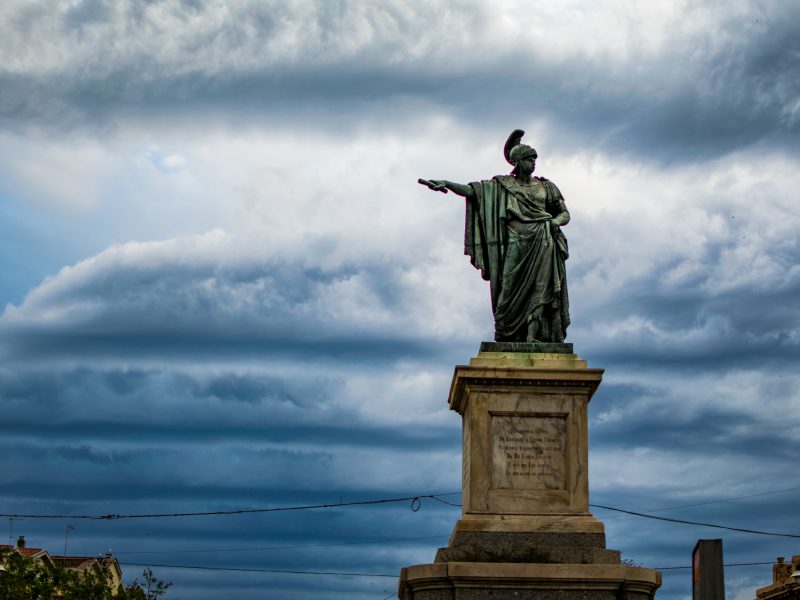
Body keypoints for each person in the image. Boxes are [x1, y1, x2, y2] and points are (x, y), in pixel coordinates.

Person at [424, 129, 570, 343]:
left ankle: (532, 337)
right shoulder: (502, 186)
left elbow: (564, 213)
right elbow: (473, 191)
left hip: (543, 241)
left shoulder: (546, 186)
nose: (533, 164)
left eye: (534, 160)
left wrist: (554, 223)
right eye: (529, 160)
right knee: (507, 288)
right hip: (515, 242)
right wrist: (447, 183)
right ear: (518, 162)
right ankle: (506, 332)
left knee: (541, 288)